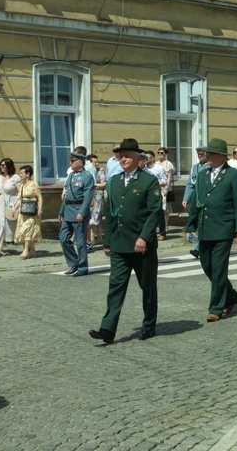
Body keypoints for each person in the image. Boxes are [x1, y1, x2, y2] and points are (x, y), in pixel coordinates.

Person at [89, 139, 161, 345]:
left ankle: (149, 325)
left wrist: (144, 237)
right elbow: (110, 215)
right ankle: (107, 329)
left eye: (127, 155)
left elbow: (154, 212)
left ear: (139, 159)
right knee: (115, 287)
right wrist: (107, 241)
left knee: (147, 286)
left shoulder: (148, 181)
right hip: (120, 245)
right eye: (120, 156)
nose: (123, 159)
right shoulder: (114, 181)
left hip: (141, 246)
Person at [186, 138, 237, 323]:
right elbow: (196, 202)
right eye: (207, 153)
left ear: (221, 156)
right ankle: (232, 296)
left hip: (224, 228)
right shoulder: (203, 175)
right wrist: (190, 225)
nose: (207, 156)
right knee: (207, 266)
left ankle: (216, 307)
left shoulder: (233, 175)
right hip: (205, 229)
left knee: (219, 268)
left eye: (211, 153)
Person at [58, 150, 95, 276]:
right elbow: (66, 195)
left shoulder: (87, 177)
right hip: (68, 210)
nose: (71, 163)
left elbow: (88, 197)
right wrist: (61, 211)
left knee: (80, 241)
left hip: (79, 210)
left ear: (80, 162)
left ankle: (83, 267)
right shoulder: (70, 176)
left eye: (73, 161)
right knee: (63, 238)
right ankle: (74, 262)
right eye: (71, 161)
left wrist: (82, 213)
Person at [0, 158, 20, 258]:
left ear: (8, 166)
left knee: (12, 224)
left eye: (3, 165)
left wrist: (16, 205)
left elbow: (20, 192)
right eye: (0, 165)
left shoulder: (15, 177)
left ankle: (26, 246)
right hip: (0, 203)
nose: (1, 167)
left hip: (11, 202)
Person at [182, 147, 209, 259]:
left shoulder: (211, 167)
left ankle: (198, 249)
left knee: (203, 223)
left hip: (206, 200)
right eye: (198, 154)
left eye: (202, 153)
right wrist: (186, 198)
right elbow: (190, 184)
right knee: (195, 223)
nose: (200, 155)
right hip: (195, 200)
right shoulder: (195, 168)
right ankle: (199, 246)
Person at [13, 165, 43, 259]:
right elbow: (20, 199)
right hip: (23, 211)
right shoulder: (22, 186)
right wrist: (15, 209)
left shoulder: (34, 184)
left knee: (27, 229)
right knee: (25, 231)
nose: (20, 175)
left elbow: (40, 197)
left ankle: (26, 251)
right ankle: (33, 251)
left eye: (22, 173)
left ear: (28, 174)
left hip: (33, 212)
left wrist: (40, 208)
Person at [144, 150, 168, 241]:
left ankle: (162, 232)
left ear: (152, 158)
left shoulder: (159, 168)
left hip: (156, 193)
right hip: (145, 194)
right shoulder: (143, 169)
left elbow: (164, 181)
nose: (145, 159)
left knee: (159, 213)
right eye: (144, 158)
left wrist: (154, 184)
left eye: (147, 157)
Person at [87, 154, 107, 252]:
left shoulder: (100, 170)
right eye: (95, 162)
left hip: (98, 196)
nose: (97, 163)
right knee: (91, 218)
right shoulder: (86, 171)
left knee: (95, 217)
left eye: (97, 161)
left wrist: (94, 185)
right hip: (89, 196)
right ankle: (99, 237)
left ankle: (91, 239)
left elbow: (104, 184)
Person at [156, 147, 176, 234]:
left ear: (165, 154)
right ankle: (159, 225)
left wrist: (166, 188)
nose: (160, 154)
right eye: (159, 153)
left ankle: (166, 225)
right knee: (158, 208)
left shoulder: (168, 164)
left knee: (165, 208)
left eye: (162, 153)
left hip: (165, 188)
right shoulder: (156, 164)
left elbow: (169, 177)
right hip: (157, 188)